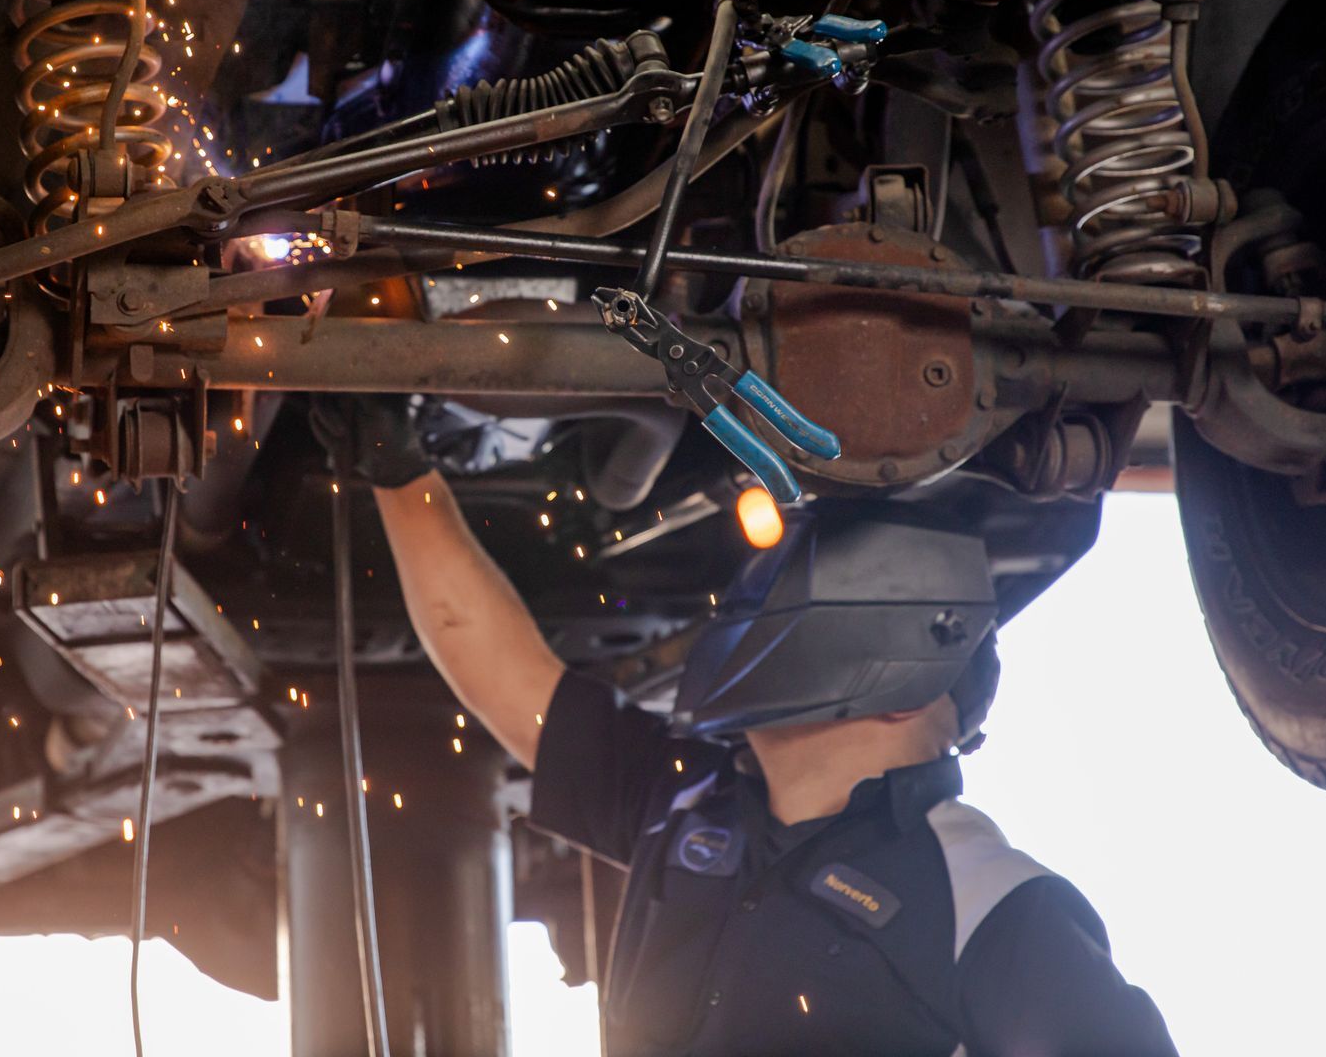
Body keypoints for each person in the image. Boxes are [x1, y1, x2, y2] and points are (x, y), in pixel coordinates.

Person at [313, 397, 1179, 1057]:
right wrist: (399, 470)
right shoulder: (688, 801)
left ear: (909, 682)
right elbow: (502, 671)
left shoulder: (990, 903)